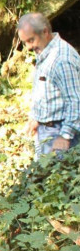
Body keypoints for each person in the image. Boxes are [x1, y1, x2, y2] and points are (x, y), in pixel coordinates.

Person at [17, 11, 80, 157]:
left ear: (45, 32)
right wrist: (37, 118)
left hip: (61, 132)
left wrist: (65, 136)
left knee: (56, 178)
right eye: (24, 42)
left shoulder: (62, 59)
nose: (28, 47)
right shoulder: (45, 51)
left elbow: (76, 101)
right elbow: (48, 92)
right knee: (43, 177)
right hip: (46, 131)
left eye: (31, 40)